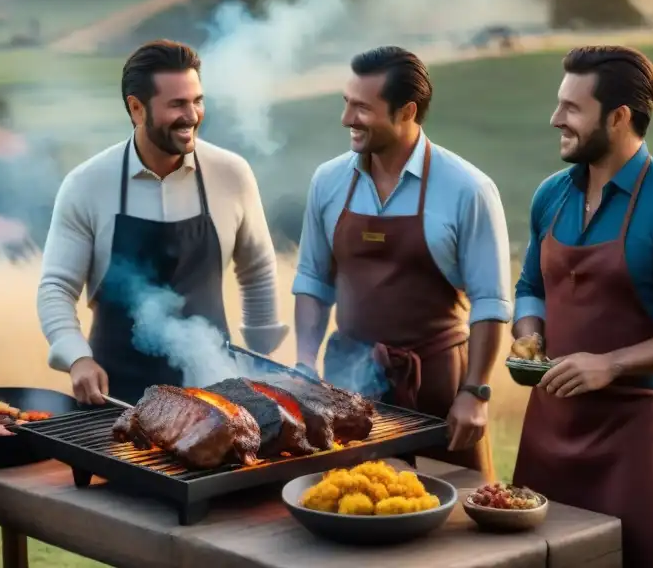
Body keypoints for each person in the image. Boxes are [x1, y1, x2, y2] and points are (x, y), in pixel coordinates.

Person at [510, 45, 653, 568]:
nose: (555, 119)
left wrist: (609, 364)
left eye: (572, 108)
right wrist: (529, 333)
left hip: (637, 438)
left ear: (618, 117)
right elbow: (531, 283)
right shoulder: (552, 196)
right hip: (551, 424)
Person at [291, 46, 512, 479]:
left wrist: (475, 393)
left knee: (452, 521)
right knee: (346, 507)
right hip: (345, 387)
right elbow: (314, 280)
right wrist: (303, 363)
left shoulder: (468, 188)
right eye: (346, 102)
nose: (347, 119)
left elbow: (490, 302)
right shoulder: (329, 181)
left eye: (362, 107)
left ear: (407, 111)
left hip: (438, 387)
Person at [37, 39, 288, 405]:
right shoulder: (87, 184)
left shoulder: (231, 174)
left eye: (197, 100)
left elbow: (258, 268)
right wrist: (77, 357)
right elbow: (56, 287)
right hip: (116, 396)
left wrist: (263, 354)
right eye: (177, 104)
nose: (192, 115)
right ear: (137, 109)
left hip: (214, 394)